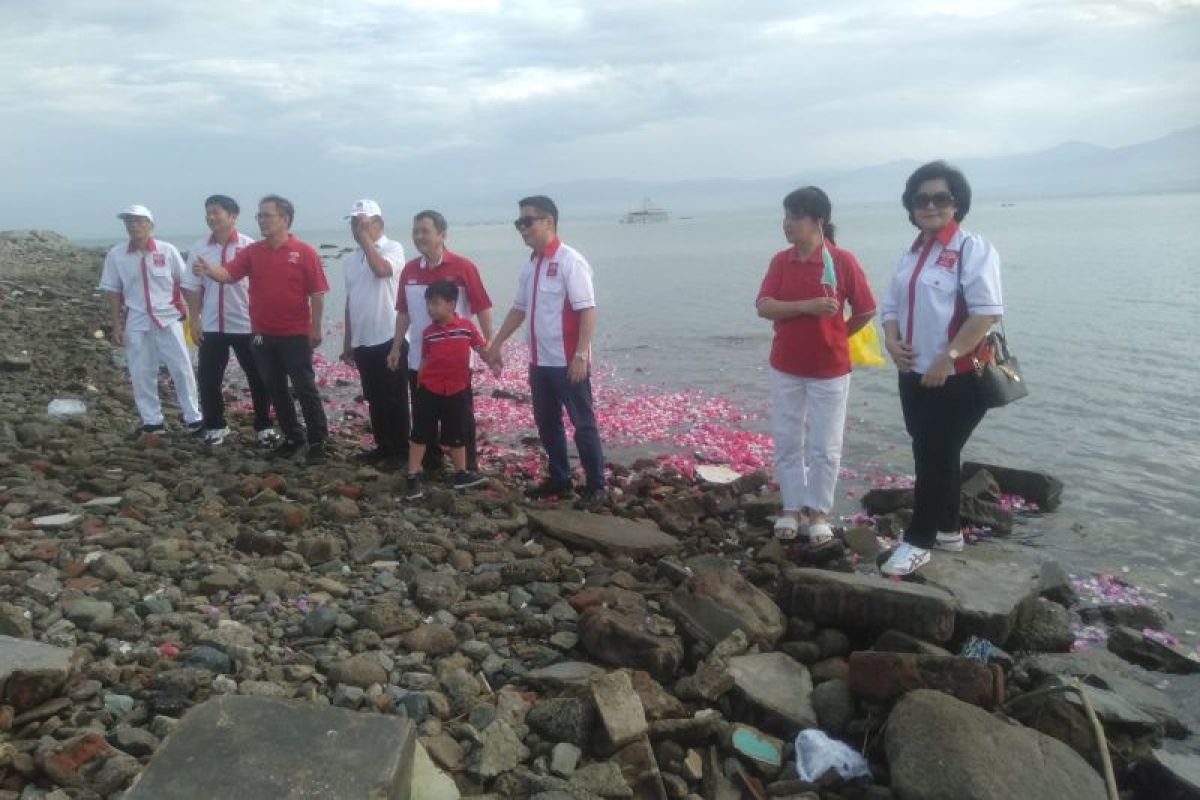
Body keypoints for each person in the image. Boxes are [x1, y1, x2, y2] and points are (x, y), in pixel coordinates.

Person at [879, 161, 1004, 576]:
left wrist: (946, 357)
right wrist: (891, 340)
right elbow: (893, 304)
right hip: (912, 374)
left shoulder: (973, 249)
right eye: (921, 199)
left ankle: (918, 541)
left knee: (934, 455)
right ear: (911, 206)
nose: (930, 205)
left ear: (957, 203)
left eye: (940, 198)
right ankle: (949, 530)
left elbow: (985, 314)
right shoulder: (913, 250)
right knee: (934, 451)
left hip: (958, 377)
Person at [756, 187, 876, 545]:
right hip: (786, 365)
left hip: (831, 369)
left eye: (795, 217)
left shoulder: (841, 261)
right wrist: (807, 307)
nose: (787, 224)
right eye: (786, 216)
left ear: (818, 221)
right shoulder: (781, 261)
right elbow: (764, 306)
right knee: (788, 439)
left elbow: (867, 308)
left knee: (826, 445)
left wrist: (838, 333)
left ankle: (818, 512)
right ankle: (791, 508)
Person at [485, 195, 606, 507]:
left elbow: (587, 311)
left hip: (568, 362)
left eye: (528, 221)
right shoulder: (532, 265)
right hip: (539, 362)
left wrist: (581, 355)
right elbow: (519, 309)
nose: (522, 228)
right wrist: (496, 343)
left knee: (582, 423)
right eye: (518, 223)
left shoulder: (570, 261)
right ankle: (560, 478)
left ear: (549, 222)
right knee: (547, 423)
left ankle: (596, 485)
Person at [194, 195, 331, 464]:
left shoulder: (304, 252)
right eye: (260, 216)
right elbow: (229, 275)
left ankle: (317, 440)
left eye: (267, 215)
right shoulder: (252, 252)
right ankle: (293, 436)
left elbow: (317, 292)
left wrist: (314, 328)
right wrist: (210, 271)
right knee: (275, 388)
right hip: (260, 334)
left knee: (304, 387)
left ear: (285, 219)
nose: (262, 221)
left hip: (294, 334)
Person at [386, 210, 492, 473]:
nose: (419, 236)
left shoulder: (463, 267)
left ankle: (467, 469)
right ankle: (431, 464)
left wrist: (489, 346)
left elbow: (482, 307)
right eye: (416, 231)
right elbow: (404, 312)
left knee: (461, 417)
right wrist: (396, 347)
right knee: (424, 417)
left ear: (442, 235)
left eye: (425, 231)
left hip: (456, 364)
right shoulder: (409, 270)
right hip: (419, 362)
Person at [181, 195, 279, 448]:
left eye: (217, 212)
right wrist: (194, 319)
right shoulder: (199, 248)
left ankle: (264, 426)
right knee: (208, 378)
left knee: (258, 377)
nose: (211, 217)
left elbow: (265, 286)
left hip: (246, 324)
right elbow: (191, 287)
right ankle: (215, 425)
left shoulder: (250, 247)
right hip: (212, 324)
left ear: (233, 216)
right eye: (208, 212)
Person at [99, 204, 203, 436]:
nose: (133, 225)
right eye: (129, 221)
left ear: (150, 225)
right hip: (136, 321)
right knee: (141, 371)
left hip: (169, 319)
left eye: (138, 221)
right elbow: (114, 292)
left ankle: (193, 417)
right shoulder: (116, 255)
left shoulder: (167, 251)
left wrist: (195, 318)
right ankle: (152, 421)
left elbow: (185, 284)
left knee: (182, 369)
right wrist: (117, 324)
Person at [404, 280, 494, 499]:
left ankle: (461, 474)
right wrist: (419, 384)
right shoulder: (428, 333)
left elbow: (480, 347)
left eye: (435, 303)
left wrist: (494, 361)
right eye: (428, 304)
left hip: (457, 389)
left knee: (456, 433)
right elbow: (425, 359)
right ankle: (412, 475)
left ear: (452, 304)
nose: (430, 308)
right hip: (429, 389)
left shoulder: (466, 327)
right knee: (421, 433)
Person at [339, 199, 409, 468]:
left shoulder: (393, 248)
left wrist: (367, 241)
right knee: (374, 396)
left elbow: (381, 271)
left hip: (389, 336)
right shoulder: (350, 260)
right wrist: (348, 341)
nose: (356, 228)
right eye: (354, 223)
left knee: (395, 396)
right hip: (363, 339)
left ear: (378, 223)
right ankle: (383, 445)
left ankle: (401, 451)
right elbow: (350, 300)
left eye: (362, 222)